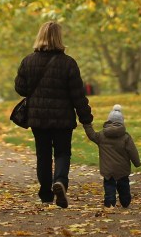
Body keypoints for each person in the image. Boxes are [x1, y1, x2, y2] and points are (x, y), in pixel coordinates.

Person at [15, 21, 93, 207]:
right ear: (59, 38)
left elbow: (21, 88)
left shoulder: (28, 61)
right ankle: (60, 181)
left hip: (38, 118)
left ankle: (45, 193)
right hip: (63, 118)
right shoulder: (68, 63)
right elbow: (78, 95)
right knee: (62, 152)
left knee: (43, 154)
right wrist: (86, 119)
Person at [83, 104, 141, 208]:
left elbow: (91, 135)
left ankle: (109, 202)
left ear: (108, 121)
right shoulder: (126, 137)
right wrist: (137, 163)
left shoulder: (101, 135)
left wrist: (87, 125)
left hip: (107, 169)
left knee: (109, 185)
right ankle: (125, 201)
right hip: (122, 169)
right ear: (122, 122)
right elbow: (132, 151)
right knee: (124, 185)